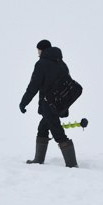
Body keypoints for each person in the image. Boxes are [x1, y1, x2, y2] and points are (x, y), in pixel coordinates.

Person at [20, 39, 78, 167]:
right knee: (43, 128)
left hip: (48, 104)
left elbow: (33, 86)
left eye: (38, 50)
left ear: (42, 50)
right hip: (60, 103)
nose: (37, 53)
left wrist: (24, 102)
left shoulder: (41, 64)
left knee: (58, 133)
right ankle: (38, 159)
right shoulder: (62, 63)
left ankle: (72, 164)